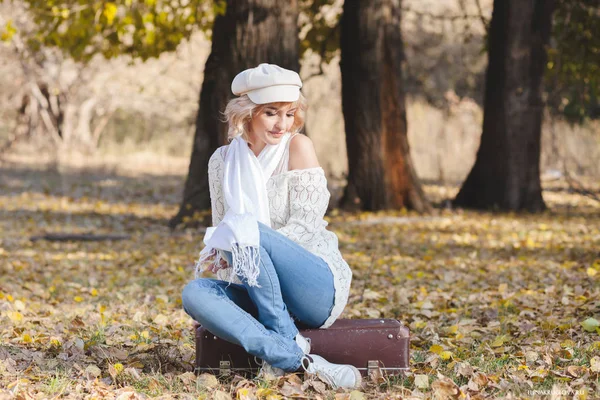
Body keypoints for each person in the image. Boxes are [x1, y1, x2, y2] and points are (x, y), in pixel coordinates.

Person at [181, 63, 358, 389]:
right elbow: (222, 231)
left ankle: (282, 341)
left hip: (314, 286)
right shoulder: (222, 162)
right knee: (195, 292)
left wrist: (246, 242)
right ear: (247, 113)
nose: (282, 124)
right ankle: (295, 357)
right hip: (258, 286)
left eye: (289, 114)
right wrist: (228, 253)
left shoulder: (298, 148)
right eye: (271, 113)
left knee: (243, 229)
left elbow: (305, 228)